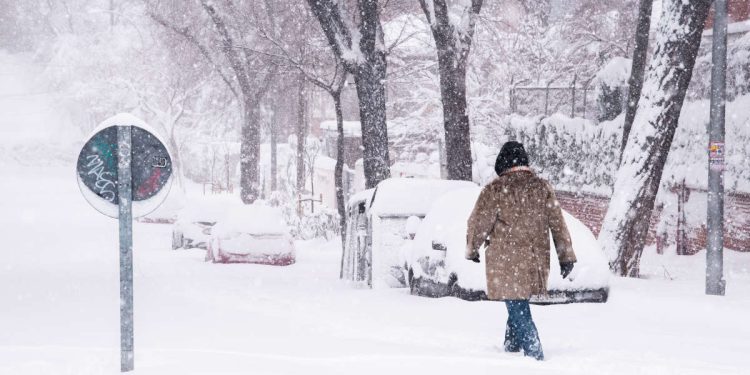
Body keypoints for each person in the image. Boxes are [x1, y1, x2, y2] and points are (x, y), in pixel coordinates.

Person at [466, 141, 577, 361]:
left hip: (506, 261)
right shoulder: (542, 187)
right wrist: (566, 256)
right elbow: (558, 224)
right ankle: (511, 351)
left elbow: (478, 222)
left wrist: (472, 249)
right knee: (516, 301)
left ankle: (535, 356)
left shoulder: (495, 189)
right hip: (535, 260)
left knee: (517, 306)